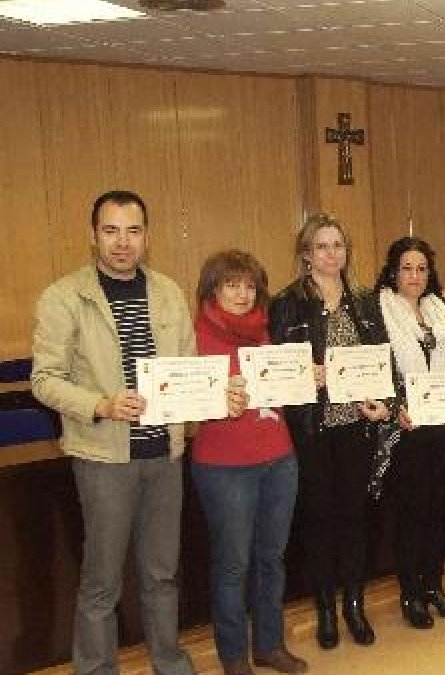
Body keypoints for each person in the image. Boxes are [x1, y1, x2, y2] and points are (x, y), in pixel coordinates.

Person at [31, 190, 240, 675]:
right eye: (111, 230)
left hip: (164, 454)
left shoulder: (166, 291)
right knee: (102, 581)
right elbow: (44, 379)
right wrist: (100, 404)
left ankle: (169, 663)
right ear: (93, 236)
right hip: (103, 457)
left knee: (162, 575)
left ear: (147, 236)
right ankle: (97, 669)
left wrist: (219, 394)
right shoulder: (65, 297)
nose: (122, 242)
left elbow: (187, 370)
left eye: (133, 230)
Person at [268, 213, 392, 650]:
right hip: (313, 430)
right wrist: (307, 373)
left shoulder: (364, 299)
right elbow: (276, 371)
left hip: (357, 428)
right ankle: (325, 610)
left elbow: (382, 361)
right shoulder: (288, 302)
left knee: (355, 520)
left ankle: (354, 606)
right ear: (306, 253)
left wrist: (382, 400)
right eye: (321, 246)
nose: (331, 254)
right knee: (320, 522)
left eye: (337, 245)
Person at [191, 250, 307, 675]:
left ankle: (270, 645)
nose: (242, 294)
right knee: (232, 564)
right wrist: (215, 397)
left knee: (271, 558)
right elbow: (178, 399)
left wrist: (302, 378)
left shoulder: (264, 331)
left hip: (278, 458)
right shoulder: (195, 337)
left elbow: (279, 389)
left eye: (249, 286)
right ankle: (234, 657)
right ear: (213, 290)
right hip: (224, 467)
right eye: (231, 285)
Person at [375, 237, 445, 629]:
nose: (414, 276)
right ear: (393, 272)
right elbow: (377, 367)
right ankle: (410, 593)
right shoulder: (380, 312)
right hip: (404, 431)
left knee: (437, 512)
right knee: (410, 516)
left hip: (441, 428)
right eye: (406, 268)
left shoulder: (440, 312)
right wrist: (396, 406)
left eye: (421, 268)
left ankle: (434, 587)